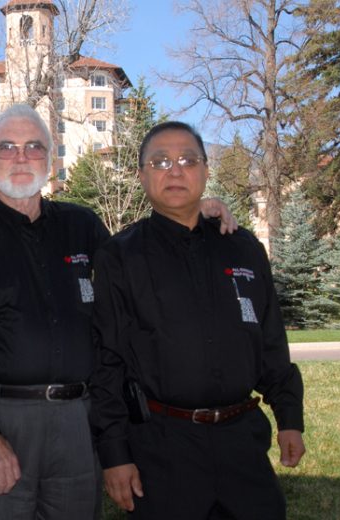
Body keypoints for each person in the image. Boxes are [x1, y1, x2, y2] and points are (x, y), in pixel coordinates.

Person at [0, 105, 237, 520]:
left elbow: (142, 258)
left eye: (34, 147)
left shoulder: (83, 226)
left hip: (77, 425)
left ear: (51, 157)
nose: (21, 158)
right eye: (7, 148)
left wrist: (193, 213)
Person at [90, 121, 306, 519]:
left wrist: (290, 418)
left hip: (242, 442)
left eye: (188, 160)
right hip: (162, 447)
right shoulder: (120, 257)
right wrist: (114, 454)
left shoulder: (243, 248)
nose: (175, 170)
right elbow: (107, 362)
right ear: (142, 176)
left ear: (206, 171)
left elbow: (271, 341)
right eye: (160, 161)